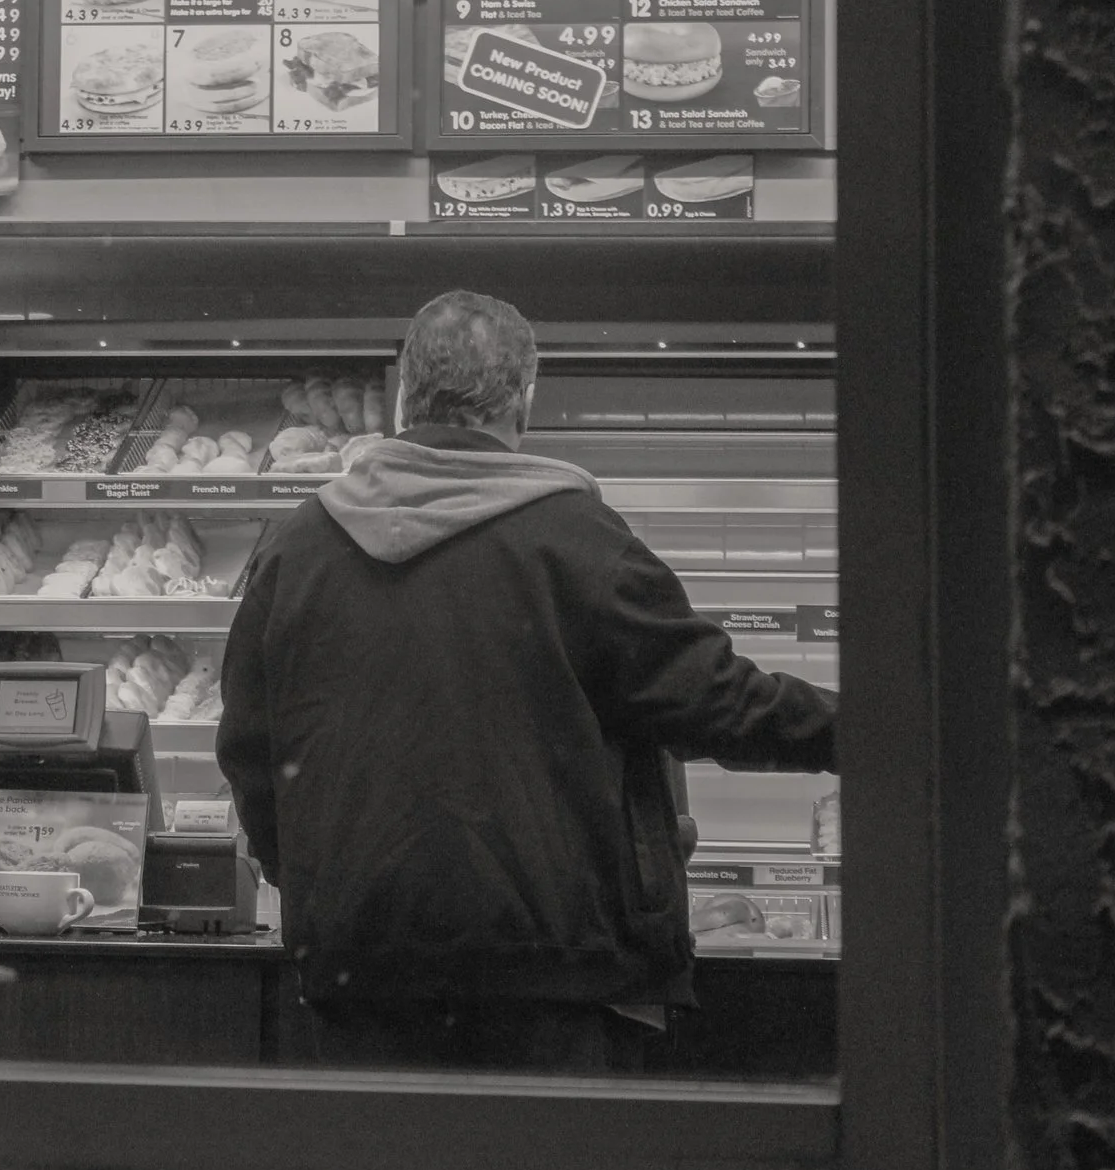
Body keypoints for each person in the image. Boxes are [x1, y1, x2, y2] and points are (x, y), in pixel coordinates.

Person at [217, 290, 837, 1073]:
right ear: (524, 399)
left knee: (385, 1157)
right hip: (555, 979)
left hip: (360, 975)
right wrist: (878, 726)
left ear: (406, 400)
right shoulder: (578, 544)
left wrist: (320, 885)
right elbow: (717, 701)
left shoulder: (297, 550)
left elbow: (249, 752)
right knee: (549, 1156)